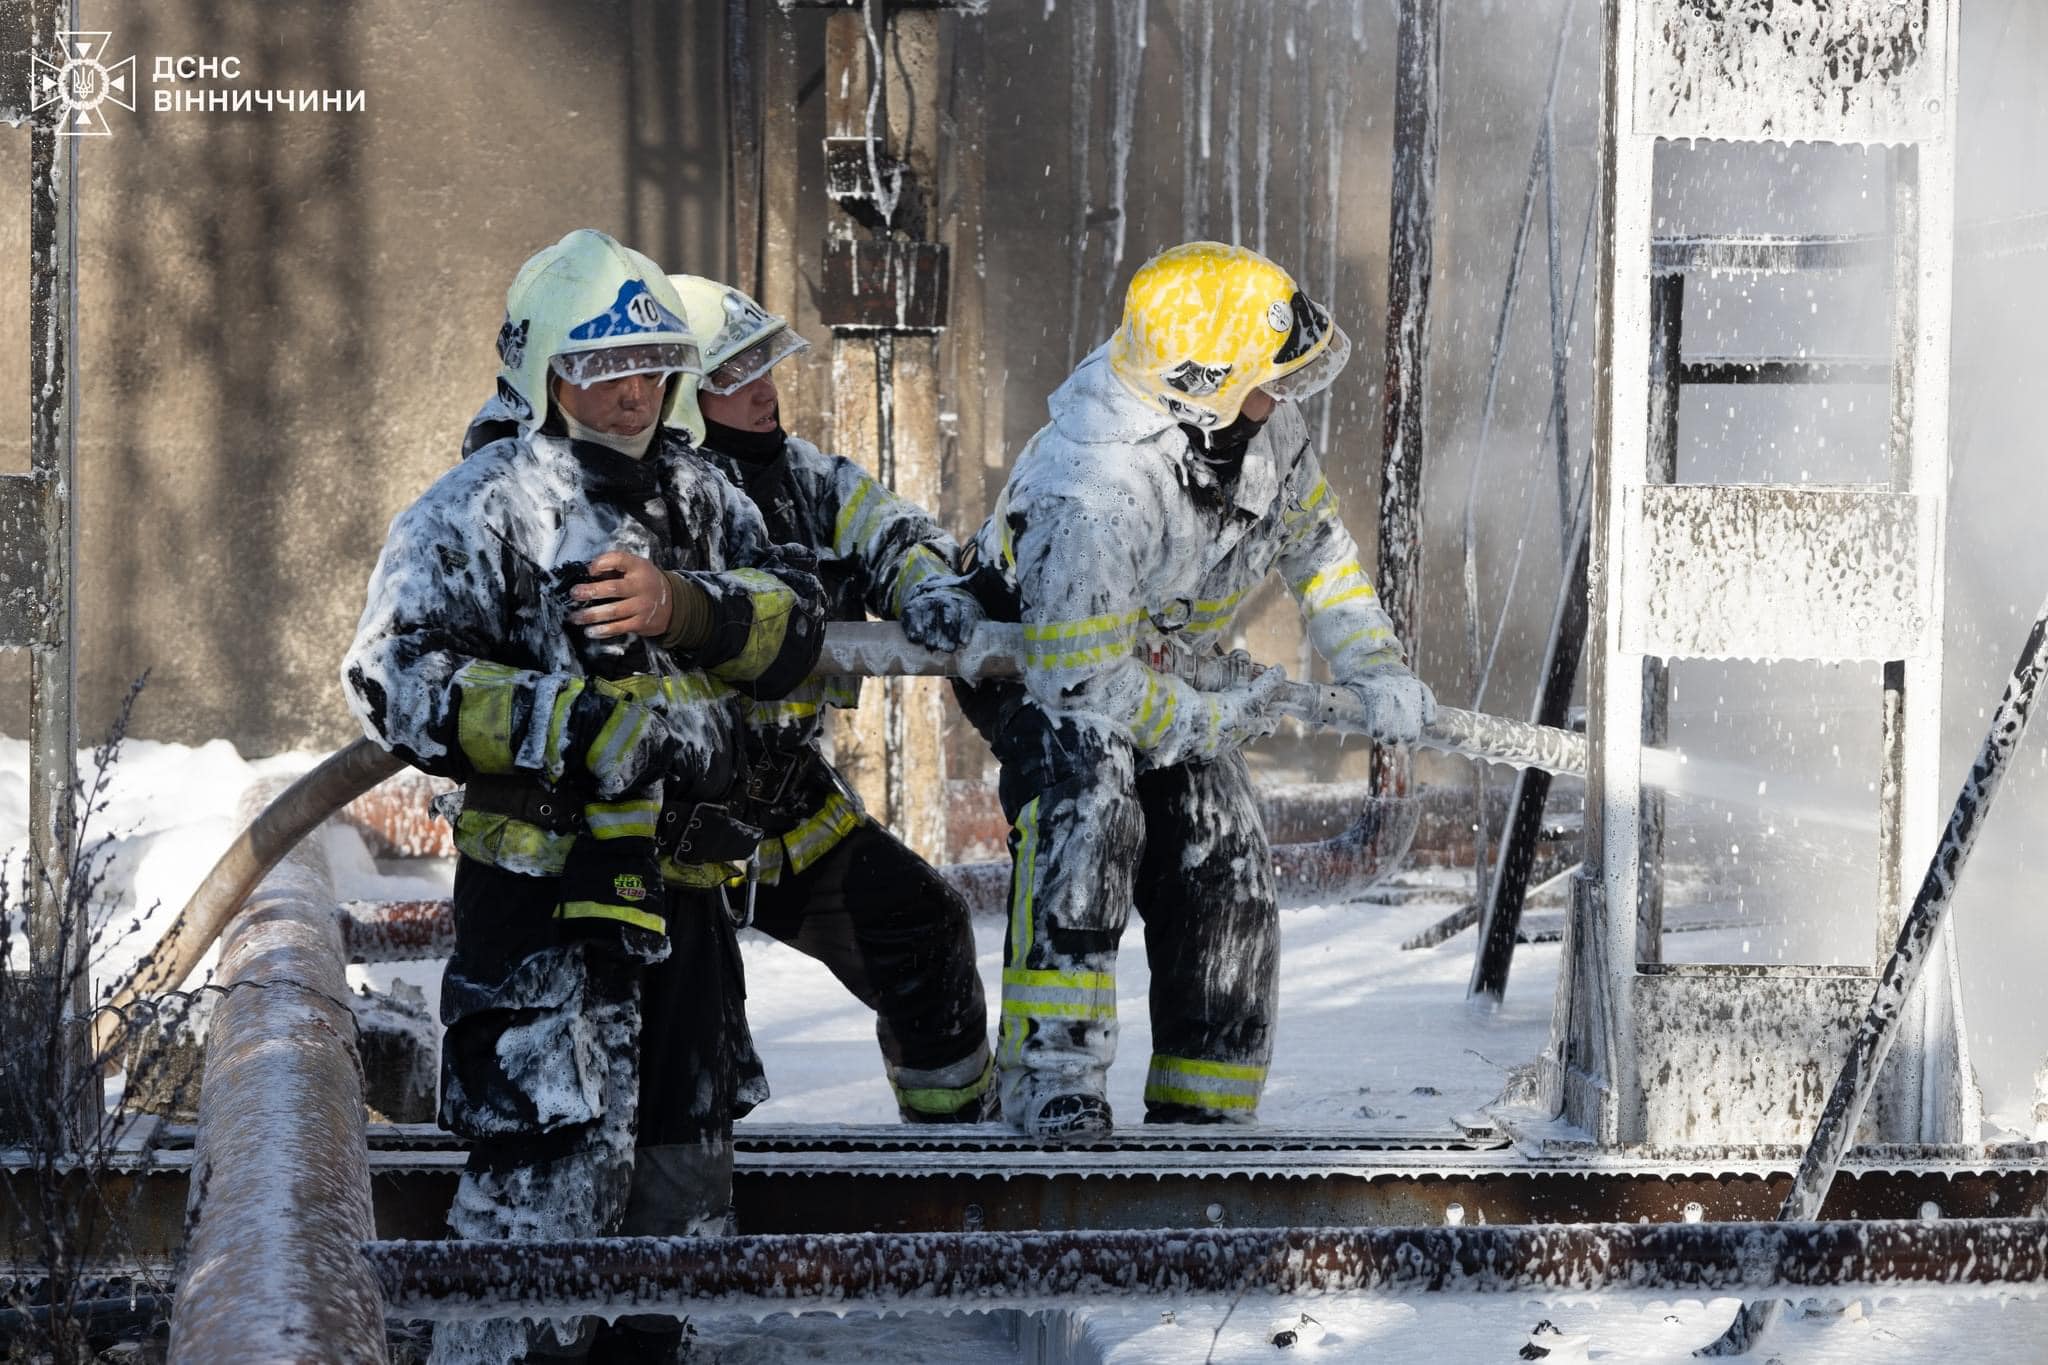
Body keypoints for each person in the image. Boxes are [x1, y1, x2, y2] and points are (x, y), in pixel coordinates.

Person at [343, 228, 825, 1363]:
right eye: (598, 369)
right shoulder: (480, 508)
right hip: (543, 919)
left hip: (686, 903)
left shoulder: (708, 500)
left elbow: (795, 626)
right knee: (539, 1202)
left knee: (680, 1188)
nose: (627, 395)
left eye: (649, 366)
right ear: (540, 372)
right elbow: (390, 676)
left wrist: (684, 612)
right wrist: (571, 724)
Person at [902, 241, 1435, 1142]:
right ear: (1205, 385)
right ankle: (1054, 1083)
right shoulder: (1092, 489)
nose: (1286, 399)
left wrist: (1375, 667)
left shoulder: (1260, 426)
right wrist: (1198, 717)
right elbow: (1081, 676)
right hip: (1038, 663)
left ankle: (1208, 1106)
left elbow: (1322, 557)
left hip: (1162, 658)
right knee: (1093, 802)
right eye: (1270, 380)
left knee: (1220, 840)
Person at [665, 273, 994, 1123]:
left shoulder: (806, 478)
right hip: (666, 819)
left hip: (784, 802)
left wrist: (927, 585)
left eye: (763, 368)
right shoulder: (660, 498)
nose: (764, 392)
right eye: (733, 378)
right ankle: (677, 1218)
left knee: (925, 929)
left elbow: (895, 531)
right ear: (680, 398)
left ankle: (952, 1156)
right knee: (690, 1038)